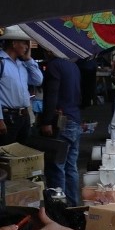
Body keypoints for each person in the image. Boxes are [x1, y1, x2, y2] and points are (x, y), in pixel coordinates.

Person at [39, 57, 81, 206]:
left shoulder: (54, 65)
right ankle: (72, 204)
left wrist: (46, 120)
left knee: (57, 166)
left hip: (62, 120)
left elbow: (52, 94)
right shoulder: (73, 66)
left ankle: (59, 207)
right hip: (74, 117)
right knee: (71, 166)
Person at [0, 27, 42, 146]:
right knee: (6, 155)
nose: (27, 47)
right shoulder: (1, 62)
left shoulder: (22, 64)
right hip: (7, 117)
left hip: (23, 116)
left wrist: (28, 59)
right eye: (24, 43)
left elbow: (38, 80)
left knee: (22, 153)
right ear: (14, 43)